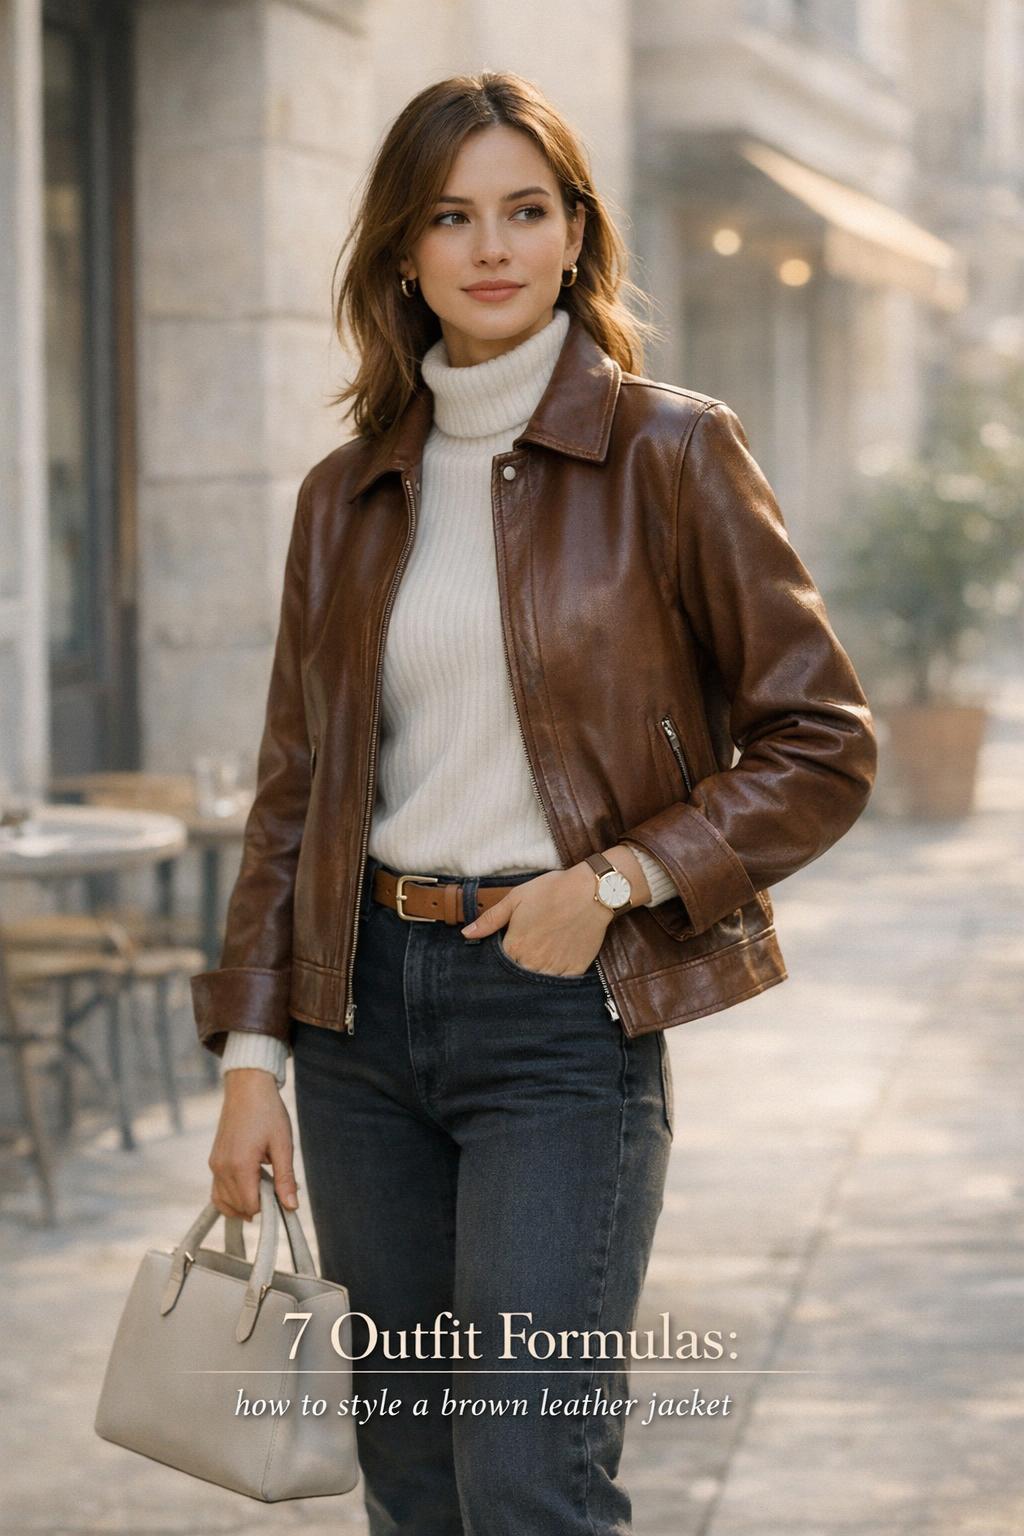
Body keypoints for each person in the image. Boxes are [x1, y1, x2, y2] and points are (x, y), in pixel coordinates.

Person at [193, 71, 877, 1535]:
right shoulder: (343, 495)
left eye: (524, 210)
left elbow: (823, 740)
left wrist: (619, 881)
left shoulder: (670, 452)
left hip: (560, 1018)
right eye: (451, 216)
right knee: (412, 1480)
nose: (491, 246)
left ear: (577, 235)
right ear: (403, 251)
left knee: (526, 1483)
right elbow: (294, 790)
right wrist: (253, 1054)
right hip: (359, 1025)